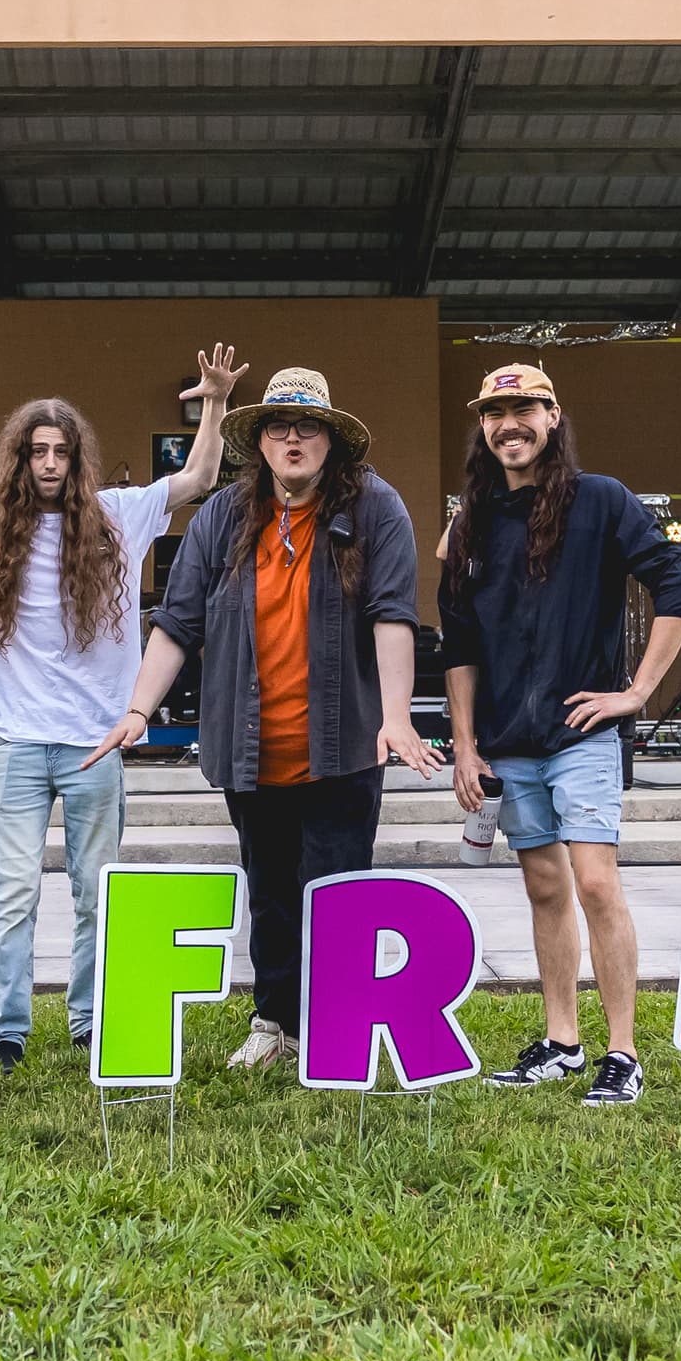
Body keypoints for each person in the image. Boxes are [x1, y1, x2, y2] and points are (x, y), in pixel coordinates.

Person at [0, 346, 247, 1069]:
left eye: (61, 451)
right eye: (36, 451)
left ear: (77, 458)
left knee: (94, 897)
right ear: (18, 460)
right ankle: (7, 1031)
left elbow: (201, 477)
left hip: (95, 746)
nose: (49, 463)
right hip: (18, 747)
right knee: (14, 892)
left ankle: (89, 1020)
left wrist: (213, 403)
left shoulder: (119, 516)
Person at [85, 367, 438, 1069]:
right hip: (251, 748)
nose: (293, 438)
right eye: (279, 426)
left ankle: (333, 1032)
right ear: (260, 441)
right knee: (272, 895)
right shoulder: (222, 515)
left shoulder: (376, 508)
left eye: (308, 425)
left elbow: (393, 614)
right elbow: (177, 622)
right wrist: (136, 708)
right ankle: (275, 1020)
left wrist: (396, 716)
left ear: (331, 438)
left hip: (342, 747)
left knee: (336, 896)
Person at [440, 362, 681, 1108]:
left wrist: (637, 693)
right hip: (508, 742)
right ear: (482, 427)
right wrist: (464, 742)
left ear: (553, 416)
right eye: (495, 412)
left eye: (524, 408)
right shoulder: (473, 523)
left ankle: (623, 1054)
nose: (509, 423)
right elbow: (457, 646)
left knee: (594, 881)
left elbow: (678, 586)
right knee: (545, 886)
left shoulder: (602, 502)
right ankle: (561, 1043)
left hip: (582, 734)